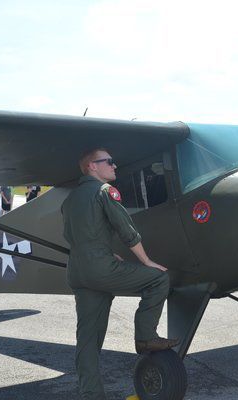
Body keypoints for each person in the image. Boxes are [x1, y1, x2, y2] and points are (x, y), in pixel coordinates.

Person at [61, 148, 178, 399]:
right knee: (158, 278)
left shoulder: (70, 200)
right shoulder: (104, 191)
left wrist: (103, 252)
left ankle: (91, 395)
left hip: (78, 271)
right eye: (109, 162)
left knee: (88, 341)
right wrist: (147, 261)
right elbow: (126, 230)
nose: (115, 166)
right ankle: (146, 337)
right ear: (93, 166)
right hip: (100, 269)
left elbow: (74, 236)